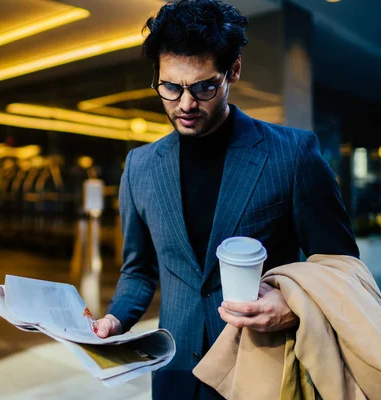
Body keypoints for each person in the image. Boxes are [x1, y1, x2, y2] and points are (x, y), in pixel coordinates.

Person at [95, 1, 360, 399]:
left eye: (203, 87)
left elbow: (341, 268)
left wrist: (293, 306)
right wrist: (115, 319)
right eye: (170, 87)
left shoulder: (293, 154)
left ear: (233, 71)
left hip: (265, 370)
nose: (185, 104)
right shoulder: (140, 166)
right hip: (175, 375)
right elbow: (140, 269)